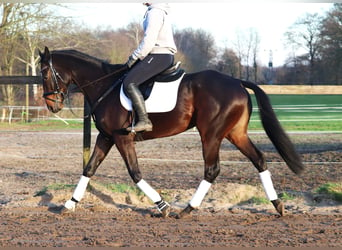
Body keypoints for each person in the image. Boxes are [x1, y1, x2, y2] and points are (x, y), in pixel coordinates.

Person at [123, 3, 177, 132]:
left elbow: (149, 40)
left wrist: (134, 57)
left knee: (129, 82)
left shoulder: (155, 12)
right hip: (160, 55)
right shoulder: (156, 11)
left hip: (159, 54)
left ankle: (144, 120)